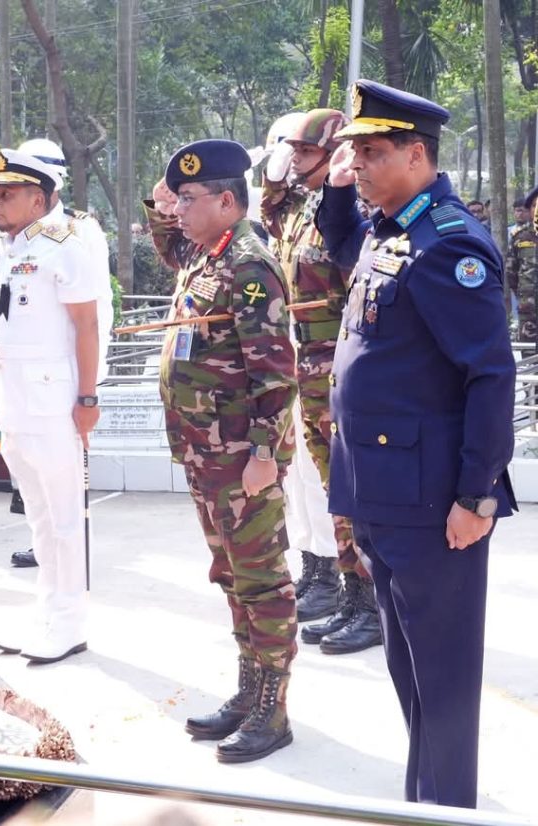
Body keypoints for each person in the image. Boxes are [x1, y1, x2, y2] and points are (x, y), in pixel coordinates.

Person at [315, 79, 517, 807]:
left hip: (435, 502)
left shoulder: (449, 244)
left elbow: (491, 376)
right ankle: (425, 801)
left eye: (370, 153)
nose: (358, 165)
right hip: (383, 492)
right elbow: (340, 245)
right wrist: (339, 190)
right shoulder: (389, 227)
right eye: (353, 153)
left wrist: (476, 495)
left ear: (417, 154)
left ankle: (450, 808)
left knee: (445, 678)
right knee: (410, 670)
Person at [146, 140, 298, 763]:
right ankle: (247, 692)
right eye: (177, 198)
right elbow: (166, 235)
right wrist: (164, 200)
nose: (178, 209)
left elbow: (275, 372)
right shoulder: (206, 256)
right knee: (231, 576)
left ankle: (274, 709)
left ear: (227, 200)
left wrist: (265, 453)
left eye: (189, 198)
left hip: (241, 457)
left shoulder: (250, 266)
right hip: (205, 453)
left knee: (263, 582)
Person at [0, 149, 101, 664]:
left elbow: (87, 326)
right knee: (38, 515)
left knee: (64, 517)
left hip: (53, 400)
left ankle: (70, 621)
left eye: (7, 193)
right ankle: (48, 611)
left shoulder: (65, 247)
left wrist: (88, 396)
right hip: (14, 398)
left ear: (37, 198)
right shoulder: (8, 245)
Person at [260, 110, 381, 654]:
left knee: (351, 490)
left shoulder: (350, 212)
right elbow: (271, 215)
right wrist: (273, 174)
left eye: (304, 154)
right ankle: (348, 594)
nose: (296, 162)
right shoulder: (301, 209)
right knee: (331, 492)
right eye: (293, 154)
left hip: (339, 367)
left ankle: (369, 602)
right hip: (306, 369)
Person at [507, 185, 538, 344]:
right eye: (534, 205)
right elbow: (511, 272)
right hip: (529, 309)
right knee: (529, 356)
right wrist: (525, 295)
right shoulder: (520, 237)